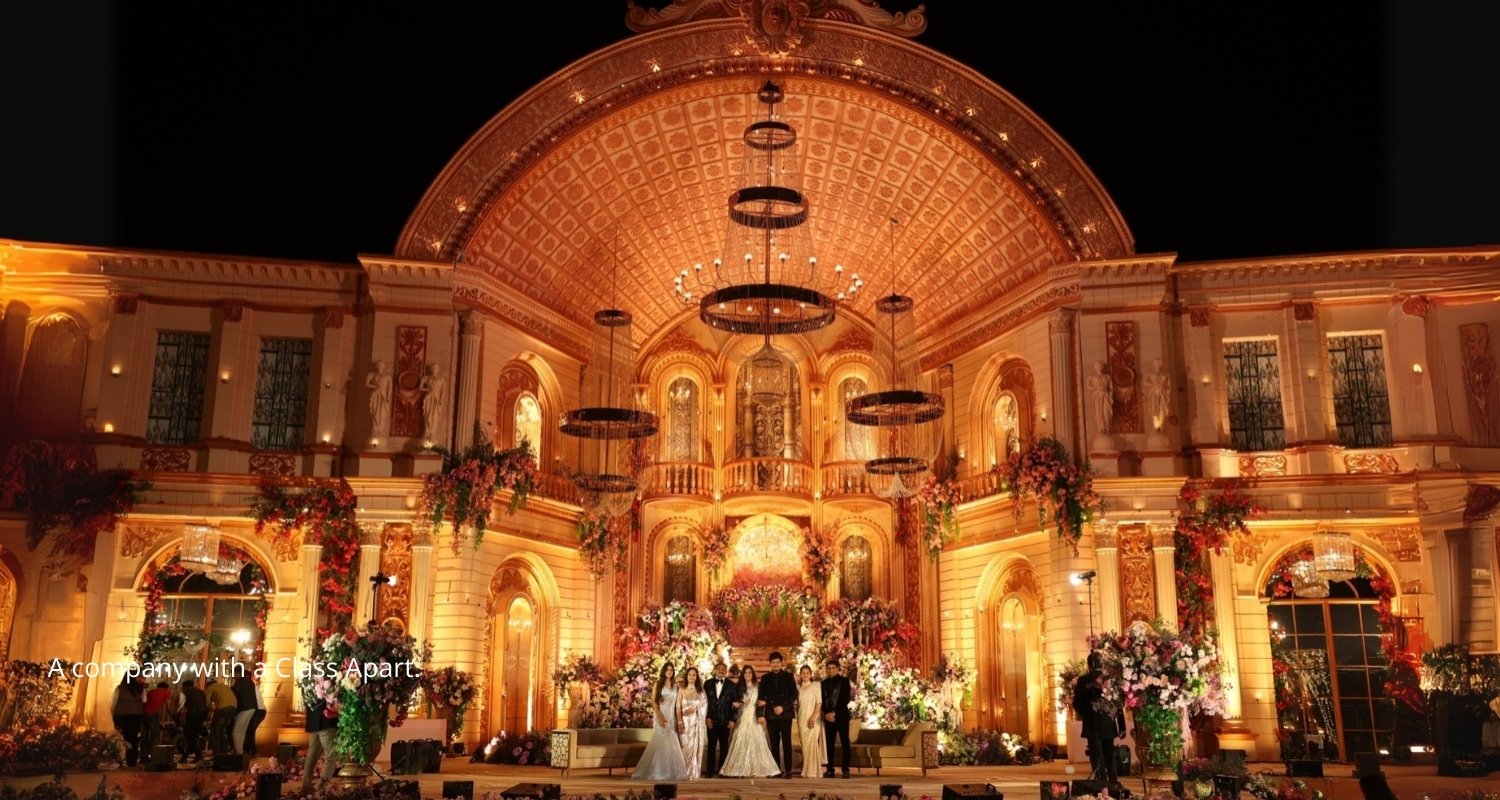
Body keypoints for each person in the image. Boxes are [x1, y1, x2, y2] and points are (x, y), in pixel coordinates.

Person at [1073, 652, 1125, 784]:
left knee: (1096, 755)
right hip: (1109, 724)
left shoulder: (1083, 680)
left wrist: (1086, 713)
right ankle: (1113, 781)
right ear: (1102, 664)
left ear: (1089, 665)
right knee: (1109, 754)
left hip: (1092, 723)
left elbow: (1077, 703)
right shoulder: (1110, 679)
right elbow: (1118, 704)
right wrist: (1121, 726)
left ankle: (1101, 784)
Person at [719, 664, 780, 778]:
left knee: (757, 739)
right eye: (745, 673)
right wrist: (733, 704)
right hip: (742, 716)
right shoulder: (737, 687)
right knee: (740, 737)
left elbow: (762, 701)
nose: (747, 674)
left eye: (750, 672)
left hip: (754, 716)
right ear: (743, 674)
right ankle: (738, 769)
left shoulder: (758, 686)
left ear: (753, 674)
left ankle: (757, 768)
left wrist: (762, 712)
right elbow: (731, 701)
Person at [632, 662, 689, 780]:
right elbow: (654, 701)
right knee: (661, 741)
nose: (669, 671)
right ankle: (658, 772)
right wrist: (660, 716)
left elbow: (679, 702)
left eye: (671, 670)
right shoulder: (658, 684)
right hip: (661, 714)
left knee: (671, 741)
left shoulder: (676, 685)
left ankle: (671, 772)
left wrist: (679, 720)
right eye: (667, 669)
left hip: (671, 716)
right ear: (663, 671)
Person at [756, 651, 798, 778]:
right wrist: (761, 714)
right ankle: (776, 770)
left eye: (777, 662)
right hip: (771, 715)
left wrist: (782, 707)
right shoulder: (765, 678)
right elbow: (760, 698)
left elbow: (794, 695)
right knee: (773, 743)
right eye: (773, 662)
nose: (775, 664)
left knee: (787, 743)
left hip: (785, 715)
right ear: (770, 664)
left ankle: (789, 770)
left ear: (781, 663)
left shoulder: (789, 676)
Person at [702, 661, 740, 778]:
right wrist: (706, 717)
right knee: (711, 746)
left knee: (724, 746)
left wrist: (733, 719)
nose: (721, 671)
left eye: (723, 669)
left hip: (725, 720)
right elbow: (703, 702)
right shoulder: (707, 684)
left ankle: (722, 771)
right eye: (719, 668)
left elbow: (736, 704)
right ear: (715, 670)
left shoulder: (732, 685)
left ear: (726, 671)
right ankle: (709, 771)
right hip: (711, 720)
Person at [820, 660, 852, 778]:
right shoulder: (823, 683)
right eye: (829, 668)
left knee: (845, 742)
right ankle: (830, 769)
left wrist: (834, 712)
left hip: (841, 716)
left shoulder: (844, 681)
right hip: (828, 718)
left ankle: (845, 769)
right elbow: (821, 700)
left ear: (838, 669)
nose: (831, 670)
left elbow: (846, 699)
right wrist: (826, 713)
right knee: (829, 744)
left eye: (833, 668)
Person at [677, 666, 708, 780]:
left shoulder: (701, 691)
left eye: (694, 675)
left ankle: (693, 772)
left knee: (694, 748)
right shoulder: (681, 689)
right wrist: (680, 720)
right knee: (685, 747)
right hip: (684, 724)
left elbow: (704, 706)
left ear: (697, 677)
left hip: (696, 723)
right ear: (687, 676)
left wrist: (695, 710)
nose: (691, 677)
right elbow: (677, 706)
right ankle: (683, 772)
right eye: (690, 674)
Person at [303, 696, 339, 792]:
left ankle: (306, 787)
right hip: (327, 721)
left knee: (312, 755)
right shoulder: (328, 681)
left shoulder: (306, 681)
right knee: (331, 756)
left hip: (313, 720)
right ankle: (322, 789)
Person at [796, 665, 825, 778]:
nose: (805, 675)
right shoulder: (798, 688)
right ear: (800, 674)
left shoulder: (815, 686)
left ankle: (813, 771)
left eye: (807, 673)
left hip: (813, 718)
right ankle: (806, 769)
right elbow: (798, 705)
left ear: (811, 674)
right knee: (804, 744)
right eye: (803, 673)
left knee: (812, 743)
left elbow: (819, 703)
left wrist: (813, 717)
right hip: (801, 718)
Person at [111, 676, 146, 767]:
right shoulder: (141, 688)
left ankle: (119, 760)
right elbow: (145, 700)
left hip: (121, 714)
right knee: (133, 738)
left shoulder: (119, 688)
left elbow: (113, 702)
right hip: (136, 715)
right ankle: (132, 761)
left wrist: (112, 713)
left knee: (120, 737)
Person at [204, 677, 238, 756]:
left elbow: (206, 702)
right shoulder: (223, 686)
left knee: (215, 731)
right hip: (233, 708)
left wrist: (207, 711)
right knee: (221, 730)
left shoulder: (210, 688)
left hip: (223, 708)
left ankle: (217, 753)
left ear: (207, 684)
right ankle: (224, 752)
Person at [178, 678, 208, 763]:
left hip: (193, 713)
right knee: (194, 735)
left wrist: (177, 714)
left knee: (188, 735)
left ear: (185, 686)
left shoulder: (185, 692)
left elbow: (180, 705)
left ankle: (196, 754)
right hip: (203, 714)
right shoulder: (201, 692)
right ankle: (187, 756)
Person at [142, 680, 173, 762]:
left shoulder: (151, 691)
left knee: (145, 735)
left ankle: (142, 754)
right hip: (151, 713)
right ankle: (148, 754)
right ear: (166, 687)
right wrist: (172, 715)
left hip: (143, 714)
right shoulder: (167, 692)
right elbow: (168, 706)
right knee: (155, 733)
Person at [230, 672, 260, 755]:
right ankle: (240, 751)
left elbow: (236, 693)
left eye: (234, 675)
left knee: (236, 731)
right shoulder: (250, 682)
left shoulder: (240, 681)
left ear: (238, 673)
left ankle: (239, 752)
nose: (234, 677)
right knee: (242, 731)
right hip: (252, 707)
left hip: (244, 707)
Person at [420, 363, 448, 440]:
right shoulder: (426, 378)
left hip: (436, 398)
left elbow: (443, 391)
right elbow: (420, 387)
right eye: (433, 368)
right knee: (427, 413)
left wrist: (441, 399)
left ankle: (432, 431)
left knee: (435, 414)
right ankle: (427, 430)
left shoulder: (441, 379)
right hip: (429, 397)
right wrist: (428, 389)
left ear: (438, 370)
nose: (434, 369)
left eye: (435, 368)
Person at [366, 360, 392, 435]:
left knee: (382, 411)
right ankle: (375, 427)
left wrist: (388, 397)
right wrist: (375, 386)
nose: (380, 366)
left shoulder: (387, 376)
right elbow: (367, 384)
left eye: (381, 365)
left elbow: (390, 388)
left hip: (383, 395)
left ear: (384, 366)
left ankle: (380, 428)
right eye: (379, 365)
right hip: (375, 394)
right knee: (375, 410)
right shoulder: (371, 375)